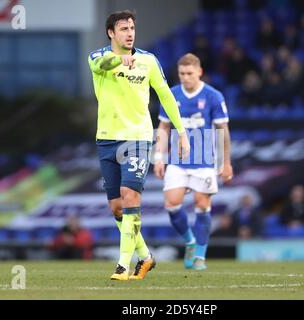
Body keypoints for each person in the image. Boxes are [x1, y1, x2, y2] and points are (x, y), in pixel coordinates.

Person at [87, 10, 190, 280]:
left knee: (130, 196)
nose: (130, 33)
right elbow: (104, 64)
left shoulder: (148, 61)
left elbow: (166, 95)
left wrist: (182, 131)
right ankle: (146, 257)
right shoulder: (97, 57)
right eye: (123, 29)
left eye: (132, 28)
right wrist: (118, 59)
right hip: (107, 137)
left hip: (138, 136)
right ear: (111, 32)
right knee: (117, 207)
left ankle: (123, 265)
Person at [154, 53, 233, 270]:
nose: (185, 78)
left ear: (199, 72)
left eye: (190, 73)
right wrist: (159, 157)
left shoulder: (213, 96)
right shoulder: (171, 94)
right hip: (178, 161)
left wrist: (226, 162)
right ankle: (189, 241)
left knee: (202, 204)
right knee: (171, 204)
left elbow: (222, 130)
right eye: (182, 74)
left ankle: (200, 255)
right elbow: (163, 127)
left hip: (204, 161)